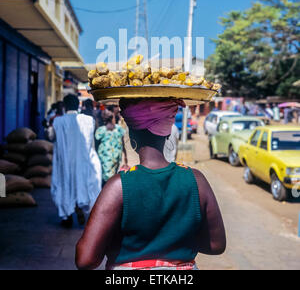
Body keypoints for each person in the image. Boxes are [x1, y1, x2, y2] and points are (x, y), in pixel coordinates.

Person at [76, 99, 226, 271]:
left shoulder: (119, 186)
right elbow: (217, 245)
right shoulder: (196, 180)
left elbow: (85, 260)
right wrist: (178, 242)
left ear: (131, 135)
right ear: (168, 132)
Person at [51, 94, 102, 228]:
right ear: (78, 105)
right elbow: (91, 143)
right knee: (82, 185)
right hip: (83, 161)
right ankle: (80, 207)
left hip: (65, 162)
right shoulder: (89, 120)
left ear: (64, 106)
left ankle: (67, 216)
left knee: (66, 185)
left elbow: (51, 136)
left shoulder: (58, 121)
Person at [95, 109, 128, 187]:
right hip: (116, 157)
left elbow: (96, 144)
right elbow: (123, 144)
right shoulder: (119, 129)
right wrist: (125, 157)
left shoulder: (101, 130)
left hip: (104, 158)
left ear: (103, 119)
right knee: (113, 176)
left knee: (105, 179)